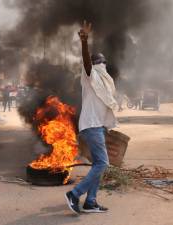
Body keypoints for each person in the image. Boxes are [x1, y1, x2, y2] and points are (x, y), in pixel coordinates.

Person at [65, 21, 118, 214]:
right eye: (99, 63)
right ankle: (75, 194)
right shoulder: (91, 76)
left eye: (103, 62)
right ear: (96, 65)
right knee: (103, 163)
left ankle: (91, 202)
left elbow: (106, 106)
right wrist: (84, 41)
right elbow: (87, 62)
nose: (102, 65)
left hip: (98, 127)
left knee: (98, 164)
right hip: (91, 126)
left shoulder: (104, 82)